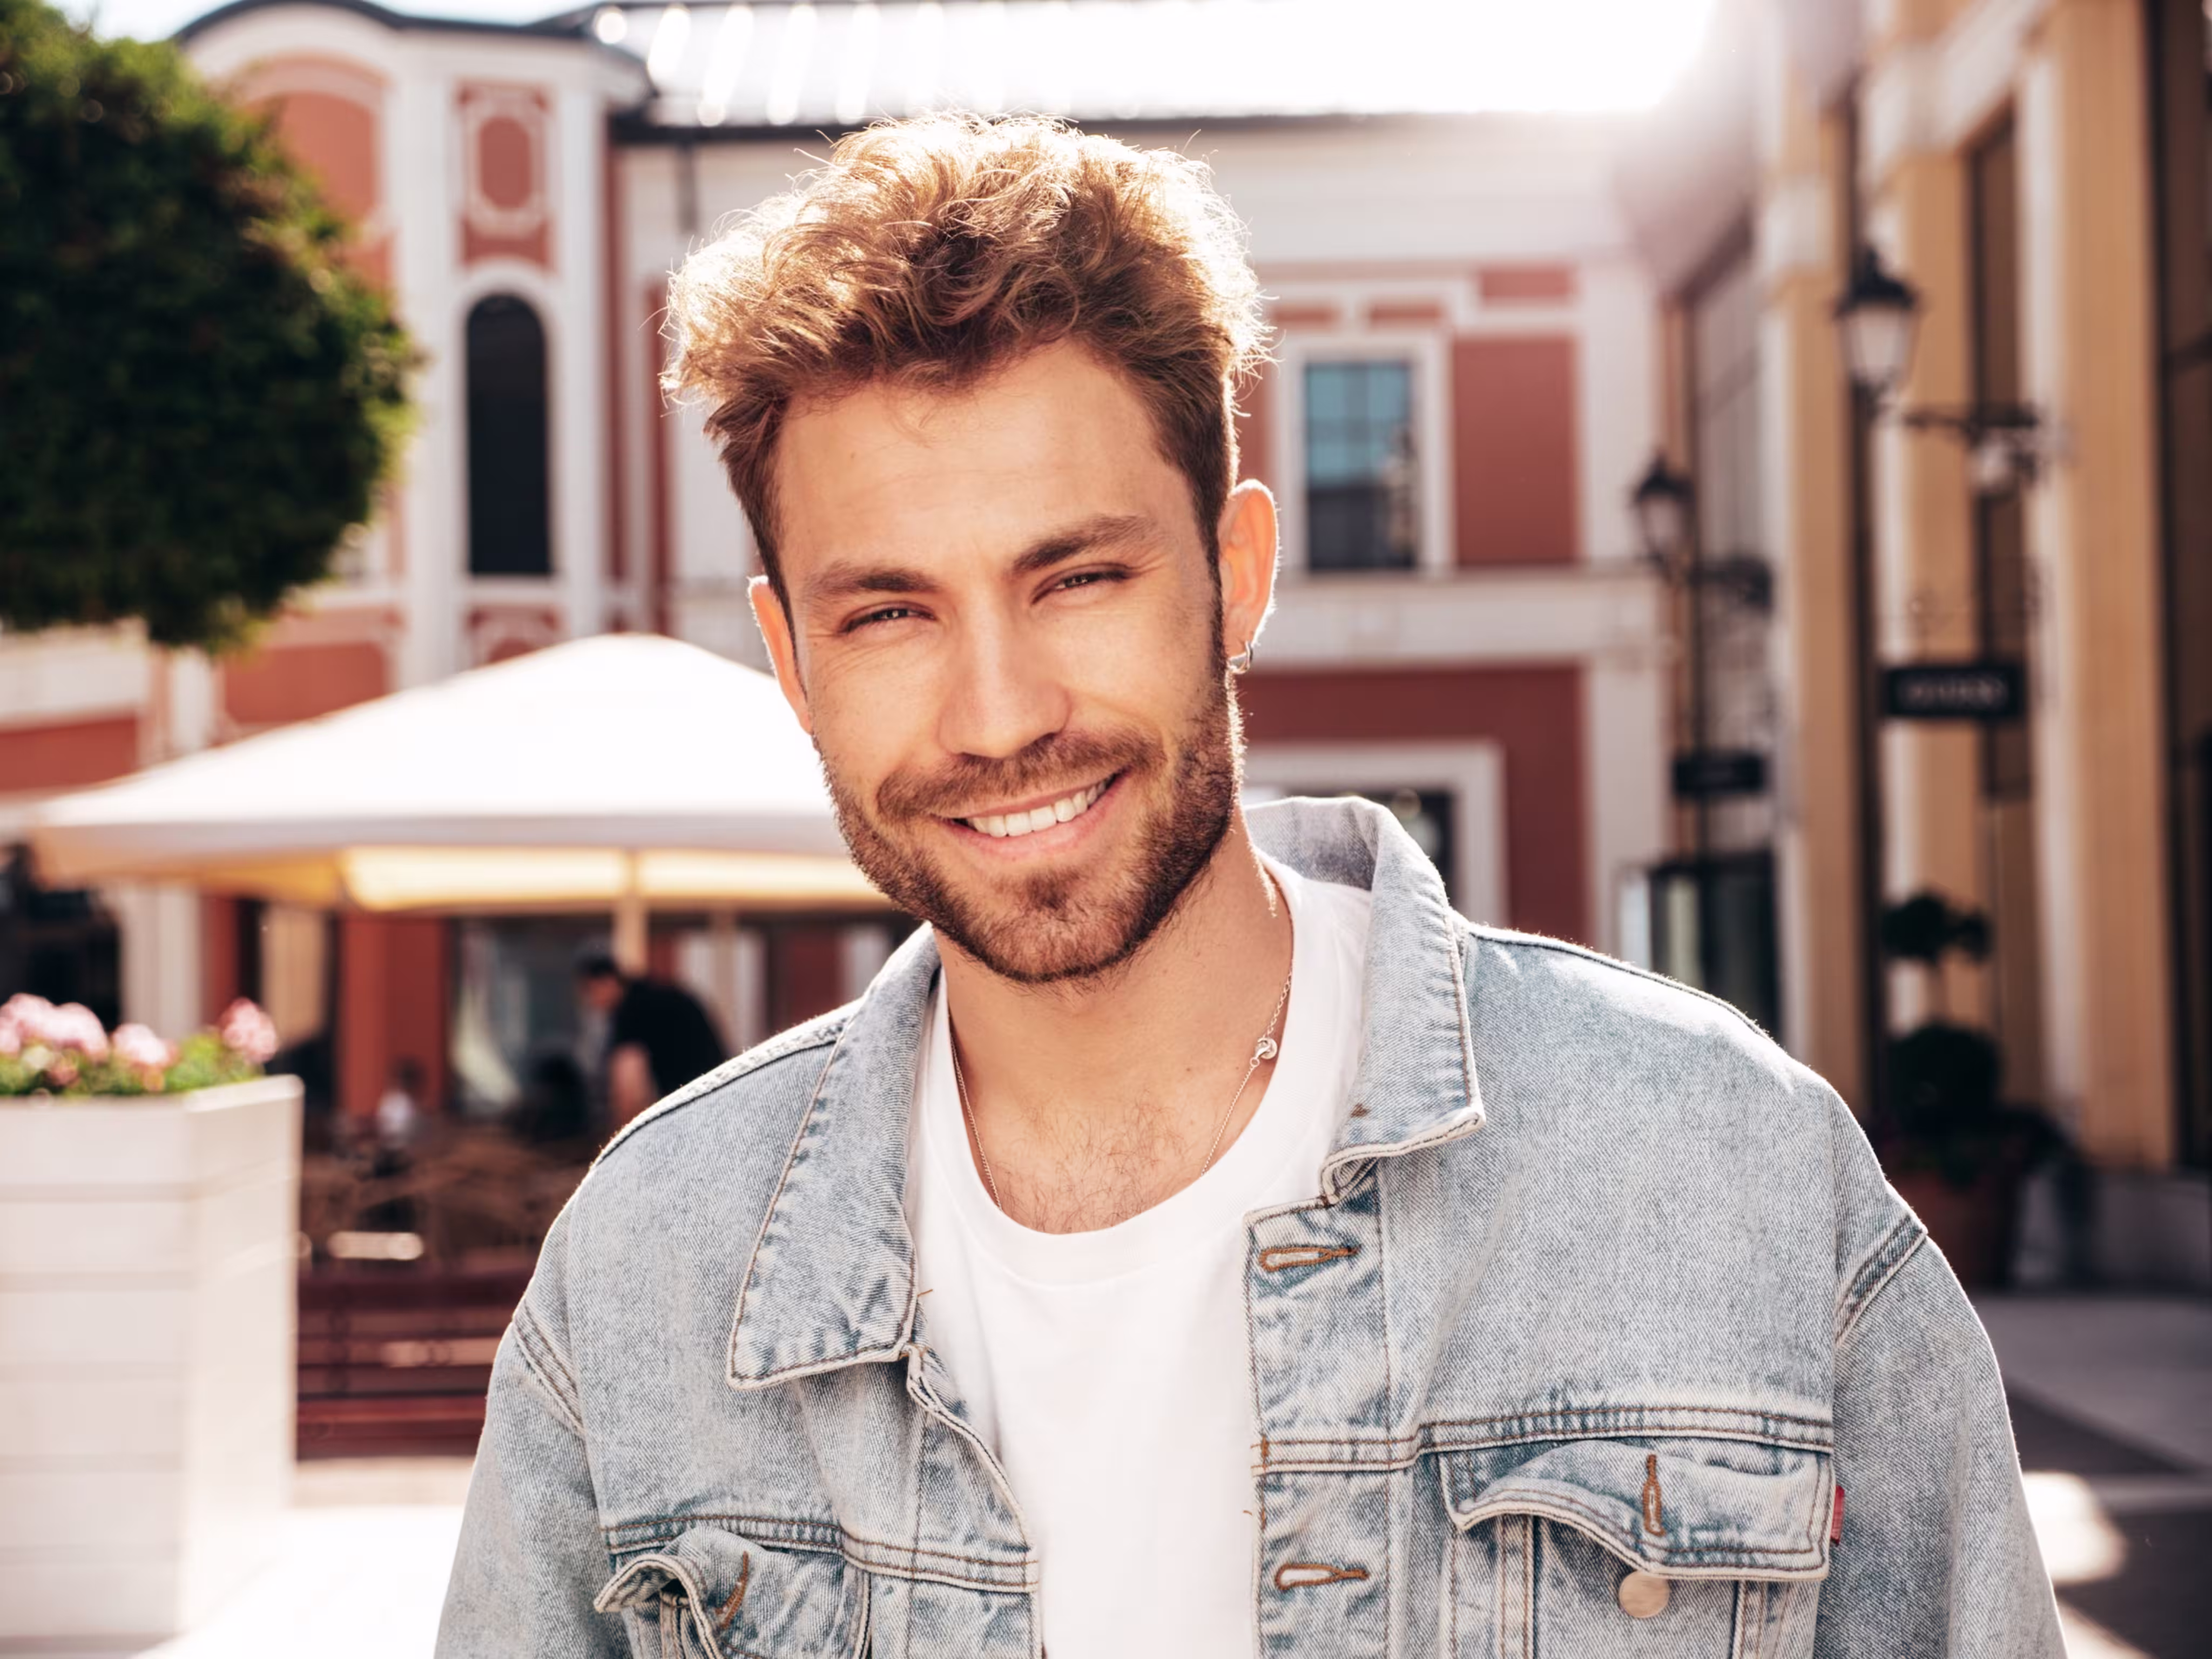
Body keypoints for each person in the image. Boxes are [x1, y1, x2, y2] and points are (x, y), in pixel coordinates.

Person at [440, 117, 2061, 1658]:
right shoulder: (643, 1272)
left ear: (1238, 573)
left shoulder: (1724, 1166)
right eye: (889, 614)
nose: (998, 716)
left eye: (1077, 576)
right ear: (792, 660)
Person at [574, 951, 727, 1130]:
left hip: (695, 1096)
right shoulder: (654, 995)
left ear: (606, 982)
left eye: (590, 992)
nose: (591, 1003)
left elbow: (628, 1082)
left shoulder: (632, 1010)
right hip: (713, 1088)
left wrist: (623, 1135)